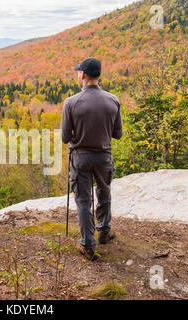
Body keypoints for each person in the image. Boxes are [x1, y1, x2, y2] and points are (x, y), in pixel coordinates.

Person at [61, 57, 123, 261]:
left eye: (79, 72)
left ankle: (88, 245)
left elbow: (65, 138)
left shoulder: (71, 103)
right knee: (104, 192)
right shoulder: (113, 100)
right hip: (104, 156)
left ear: (83, 75)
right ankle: (104, 231)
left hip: (81, 158)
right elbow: (118, 134)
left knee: (83, 200)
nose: (78, 74)